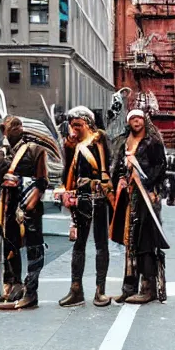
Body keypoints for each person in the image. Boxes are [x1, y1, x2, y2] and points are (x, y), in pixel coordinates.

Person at [56, 106, 114, 308]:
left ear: (87, 124)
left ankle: (100, 290)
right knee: (79, 245)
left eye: (78, 125)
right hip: (81, 199)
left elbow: (107, 169)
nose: (75, 130)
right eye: (73, 126)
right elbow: (68, 171)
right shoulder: (74, 145)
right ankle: (76, 289)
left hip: (97, 196)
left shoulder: (99, 140)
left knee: (100, 244)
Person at [0, 116, 49, 309]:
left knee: (34, 249)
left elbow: (42, 182)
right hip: (8, 207)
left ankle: (31, 292)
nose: (16, 127)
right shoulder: (1, 153)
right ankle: (14, 283)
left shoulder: (35, 150)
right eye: (11, 125)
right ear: (3, 130)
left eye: (19, 124)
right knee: (10, 247)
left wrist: (30, 204)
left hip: (29, 208)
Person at [110, 109, 168, 304]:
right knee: (129, 242)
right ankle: (129, 287)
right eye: (133, 119)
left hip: (146, 197)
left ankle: (148, 287)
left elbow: (160, 167)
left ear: (144, 121)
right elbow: (117, 167)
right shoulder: (123, 142)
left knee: (146, 241)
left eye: (139, 118)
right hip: (128, 197)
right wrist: (120, 180)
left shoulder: (153, 143)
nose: (136, 122)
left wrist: (152, 189)